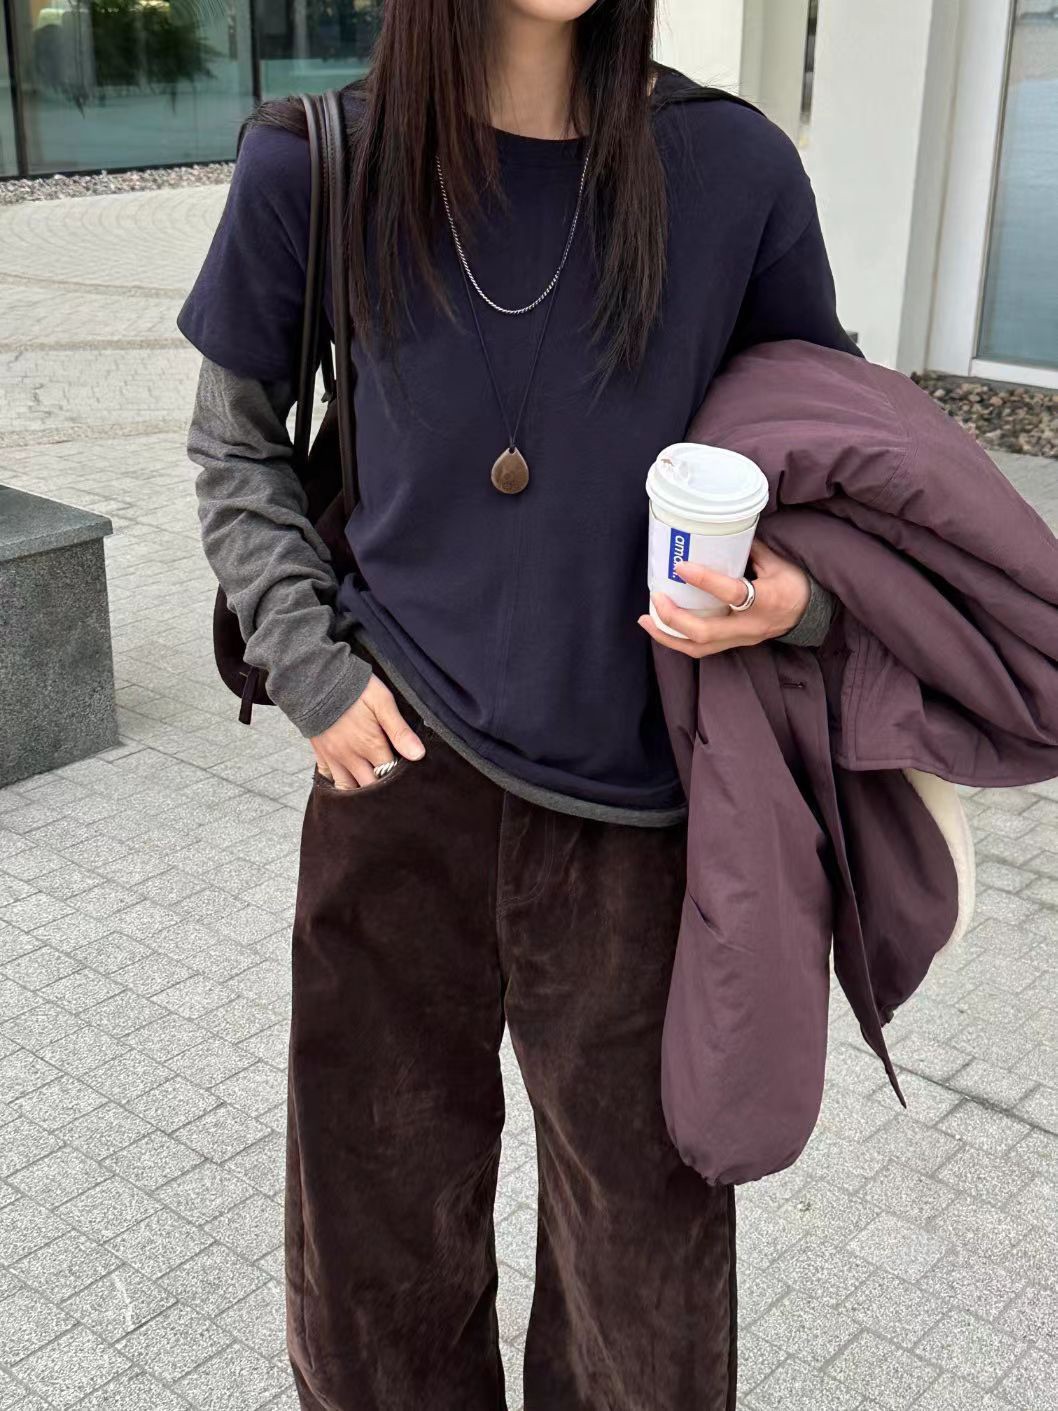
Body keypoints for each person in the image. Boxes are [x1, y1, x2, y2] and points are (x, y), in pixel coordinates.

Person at [179, 3, 857, 1407]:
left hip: (638, 814)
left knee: (645, 1282)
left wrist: (796, 595)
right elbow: (233, 448)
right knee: (376, 1249)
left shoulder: (730, 170)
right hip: (393, 786)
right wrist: (311, 670)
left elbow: (833, 453)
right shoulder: (318, 164)